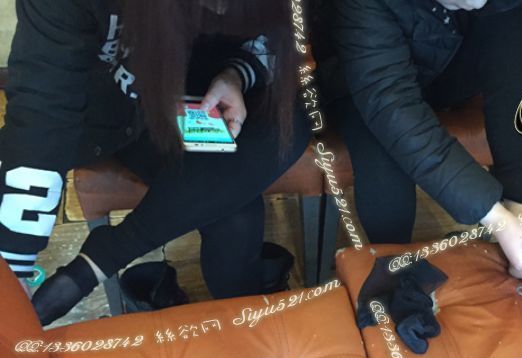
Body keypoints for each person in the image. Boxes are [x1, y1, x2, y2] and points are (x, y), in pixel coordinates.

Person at [0, 0, 310, 325]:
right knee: (234, 216)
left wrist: (237, 73)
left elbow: (282, 48)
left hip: (209, 97)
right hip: (122, 114)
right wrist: (13, 262)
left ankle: (244, 328)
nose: (219, 12)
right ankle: (237, 318)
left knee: (242, 208)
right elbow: (43, 110)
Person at [314, 0, 522, 283]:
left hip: (454, 64)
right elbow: (389, 101)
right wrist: (496, 218)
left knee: (516, 17)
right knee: (384, 173)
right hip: (362, 76)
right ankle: (395, 268)